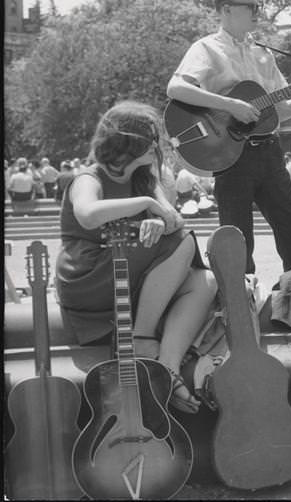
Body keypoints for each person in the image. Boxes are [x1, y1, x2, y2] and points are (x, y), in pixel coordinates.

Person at [167, 0, 291, 275]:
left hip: (270, 153)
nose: (258, 11)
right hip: (231, 157)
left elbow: (281, 110)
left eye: (258, 5)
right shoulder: (207, 49)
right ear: (226, 10)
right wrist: (231, 105)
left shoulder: (263, 52)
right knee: (238, 241)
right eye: (250, 6)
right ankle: (242, 306)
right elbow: (175, 88)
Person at [55, 101, 217, 414]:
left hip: (128, 267)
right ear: (128, 141)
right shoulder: (89, 178)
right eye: (151, 137)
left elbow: (173, 221)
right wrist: (146, 206)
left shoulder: (145, 178)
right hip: (90, 271)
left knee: (205, 279)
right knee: (183, 242)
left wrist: (159, 219)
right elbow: (88, 215)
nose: (157, 144)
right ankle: (142, 338)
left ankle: (167, 367)